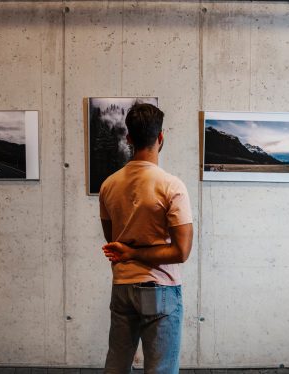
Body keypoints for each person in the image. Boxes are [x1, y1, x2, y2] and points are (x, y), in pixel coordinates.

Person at [99, 103, 193, 374]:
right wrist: (138, 254)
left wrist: (130, 253)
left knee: (116, 365)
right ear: (160, 137)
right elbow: (181, 251)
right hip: (159, 288)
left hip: (123, 287)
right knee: (161, 369)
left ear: (128, 138)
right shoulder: (171, 186)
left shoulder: (109, 185)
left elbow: (115, 241)